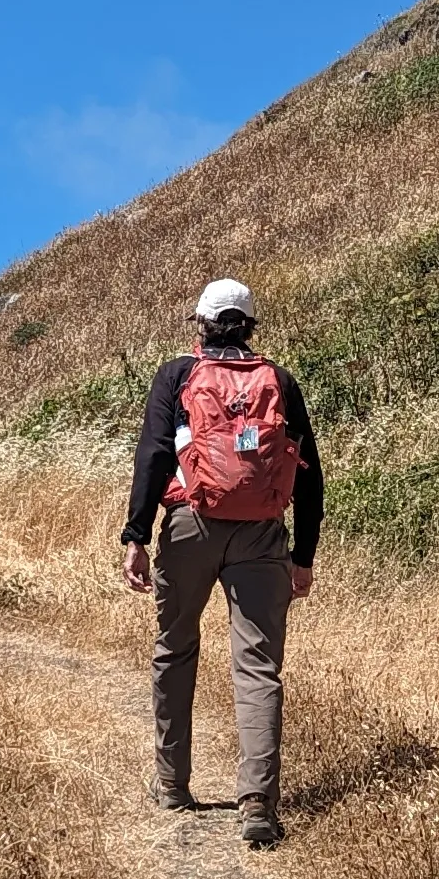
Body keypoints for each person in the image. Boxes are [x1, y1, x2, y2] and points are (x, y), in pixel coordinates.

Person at [119, 278, 324, 847]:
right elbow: (309, 473)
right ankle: (257, 799)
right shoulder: (279, 381)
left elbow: (156, 454)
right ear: (251, 325)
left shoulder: (178, 374)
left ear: (201, 326)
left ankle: (172, 783)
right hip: (263, 534)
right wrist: (302, 556)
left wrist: (136, 533)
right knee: (258, 666)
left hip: (190, 526)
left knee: (175, 646)